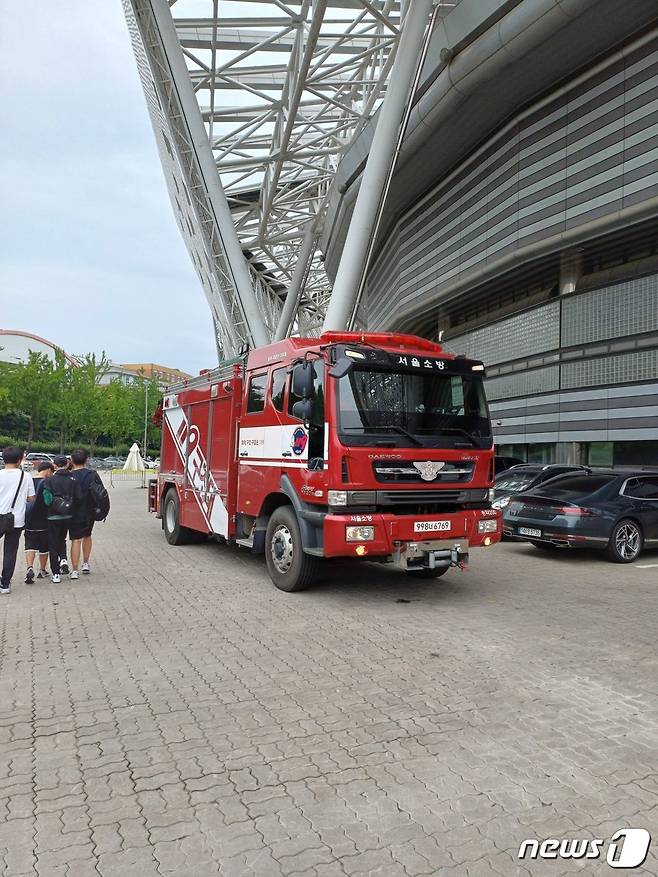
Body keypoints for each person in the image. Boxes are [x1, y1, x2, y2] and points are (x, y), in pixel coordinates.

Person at [0, 447, 35, 594]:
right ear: (19, 460)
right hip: (15, 519)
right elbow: (31, 498)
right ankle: (5, 584)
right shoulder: (25, 476)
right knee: (10, 550)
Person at [44, 455, 81, 584]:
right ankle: (64, 559)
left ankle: (55, 574)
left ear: (54, 465)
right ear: (67, 464)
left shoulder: (49, 480)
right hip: (69, 515)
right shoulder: (73, 479)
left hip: (53, 516)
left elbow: (47, 499)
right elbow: (79, 497)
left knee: (53, 543)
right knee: (62, 539)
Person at [69, 449, 102, 578]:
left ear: (71, 461)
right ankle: (86, 563)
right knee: (87, 536)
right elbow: (100, 492)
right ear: (86, 460)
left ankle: (75, 570)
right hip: (90, 511)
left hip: (74, 511)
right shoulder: (92, 474)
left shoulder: (69, 475)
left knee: (76, 540)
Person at [24, 460, 54, 583]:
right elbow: (49, 501)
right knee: (44, 546)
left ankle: (29, 567)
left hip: (29, 519)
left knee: (30, 545)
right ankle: (42, 570)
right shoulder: (47, 482)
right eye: (52, 472)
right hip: (44, 520)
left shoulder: (28, 481)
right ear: (48, 470)